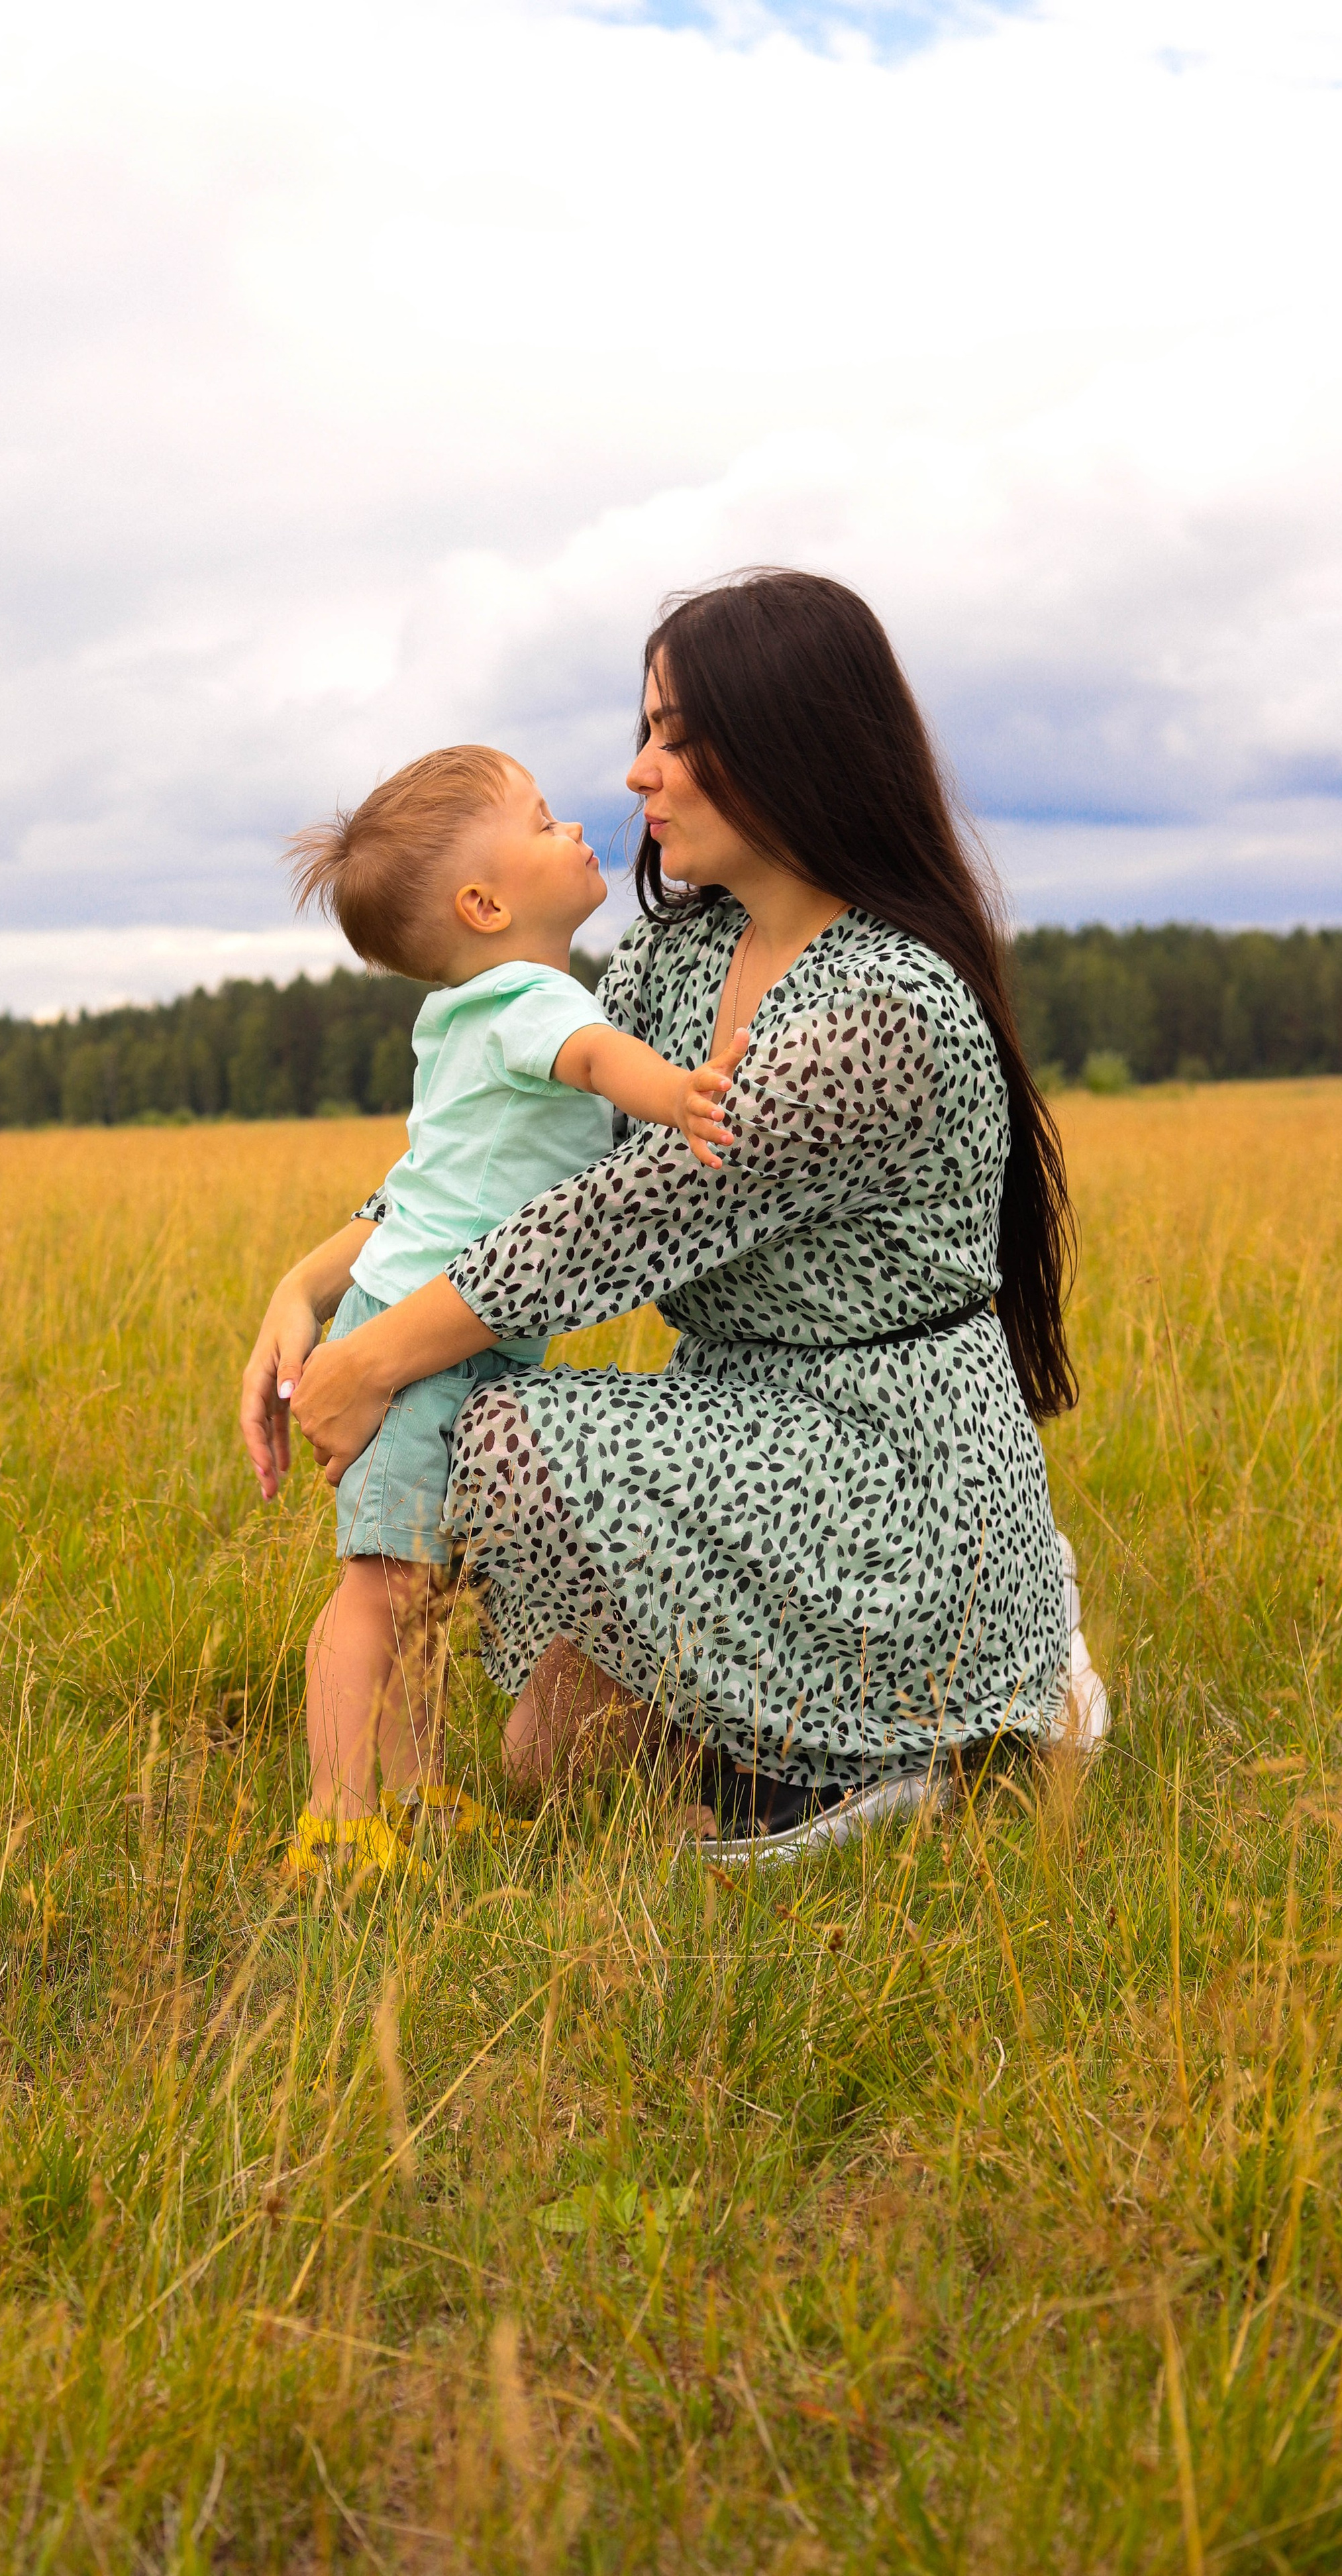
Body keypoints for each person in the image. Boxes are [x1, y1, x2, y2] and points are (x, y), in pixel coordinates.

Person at [255, 569, 1108, 1864]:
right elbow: (496, 1169)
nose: (640, 774)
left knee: (495, 1432)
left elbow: (610, 1225)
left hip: (887, 1462)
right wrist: (307, 1288)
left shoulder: (884, 1009)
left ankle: (919, 1721)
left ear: (785, 749)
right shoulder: (678, 956)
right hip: (743, 1419)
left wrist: (374, 1359)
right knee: (557, 1755)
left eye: (673, 736)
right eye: (643, 733)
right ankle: (837, 1703)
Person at [253, 743, 749, 1880]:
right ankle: (337, 1813)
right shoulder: (531, 1002)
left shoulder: (466, 1012)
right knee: (379, 1590)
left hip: (435, 1324)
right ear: (484, 903)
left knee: (424, 1586)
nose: (578, 829)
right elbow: (589, 1057)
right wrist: (677, 1094)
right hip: (415, 1346)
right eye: (542, 822)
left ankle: (414, 1793)